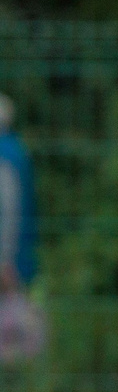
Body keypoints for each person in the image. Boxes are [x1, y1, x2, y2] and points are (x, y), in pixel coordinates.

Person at [0, 93, 40, 366]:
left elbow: (8, 209)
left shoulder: (4, 156)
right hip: (22, 253)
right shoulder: (18, 150)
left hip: (9, 258)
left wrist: (4, 259)